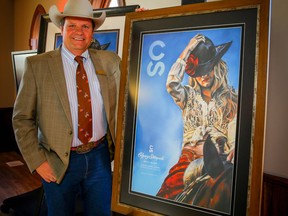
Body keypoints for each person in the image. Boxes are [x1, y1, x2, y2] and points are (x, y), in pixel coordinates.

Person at [12, 0, 121, 215]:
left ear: (92, 32)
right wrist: (37, 161)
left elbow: (134, 73)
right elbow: (21, 118)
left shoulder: (110, 61)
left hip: (99, 157)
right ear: (61, 29)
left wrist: (143, 22)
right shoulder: (38, 65)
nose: (78, 32)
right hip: (58, 161)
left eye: (85, 26)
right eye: (72, 25)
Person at [156, 34, 237, 200]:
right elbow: (171, 84)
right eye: (199, 71)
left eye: (208, 69)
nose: (204, 75)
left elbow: (234, 127)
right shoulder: (187, 95)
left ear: (217, 67)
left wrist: (236, 146)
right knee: (168, 193)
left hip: (219, 159)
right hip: (188, 159)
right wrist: (187, 50)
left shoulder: (231, 98)